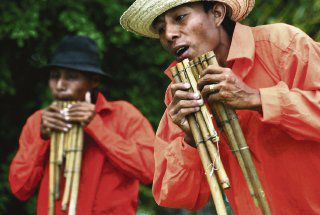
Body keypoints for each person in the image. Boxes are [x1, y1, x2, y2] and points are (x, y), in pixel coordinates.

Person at [120, 0, 320, 214]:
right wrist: (191, 140)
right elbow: (175, 196)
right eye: (161, 29)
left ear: (216, 13)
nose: (169, 34)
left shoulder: (282, 44)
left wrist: (257, 98)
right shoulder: (181, 93)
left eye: (180, 18)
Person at [9, 35, 155, 215]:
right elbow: (19, 188)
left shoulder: (125, 115)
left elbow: (149, 170)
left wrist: (97, 127)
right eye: (55, 76)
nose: (60, 85)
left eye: (71, 77)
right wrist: (42, 139)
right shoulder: (37, 122)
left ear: (94, 81)